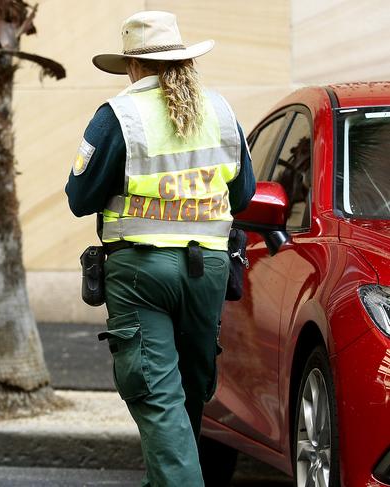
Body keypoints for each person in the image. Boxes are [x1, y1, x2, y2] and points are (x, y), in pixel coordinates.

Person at [65, 11, 256, 487]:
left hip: (140, 273)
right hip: (209, 269)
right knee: (189, 392)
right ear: (183, 60)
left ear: (132, 66)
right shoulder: (221, 111)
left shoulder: (118, 116)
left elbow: (79, 197)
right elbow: (245, 192)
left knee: (157, 395)